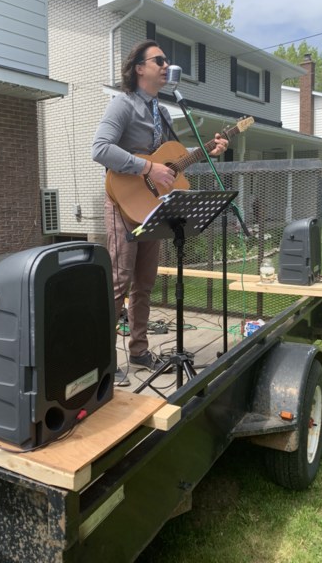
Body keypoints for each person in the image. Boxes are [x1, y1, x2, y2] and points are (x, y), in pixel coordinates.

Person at [92, 40, 228, 386]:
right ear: (139, 68)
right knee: (118, 282)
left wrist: (211, 149)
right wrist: (146, 169)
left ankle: (138, 350)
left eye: (167, 61)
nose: (167, 65)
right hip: (124, 202)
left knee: (145, 283)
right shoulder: (122, 105)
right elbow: (101, 148)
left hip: (153, 208)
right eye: (160, 60)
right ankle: (102, 360)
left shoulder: (164, 113)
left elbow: (172, 163)